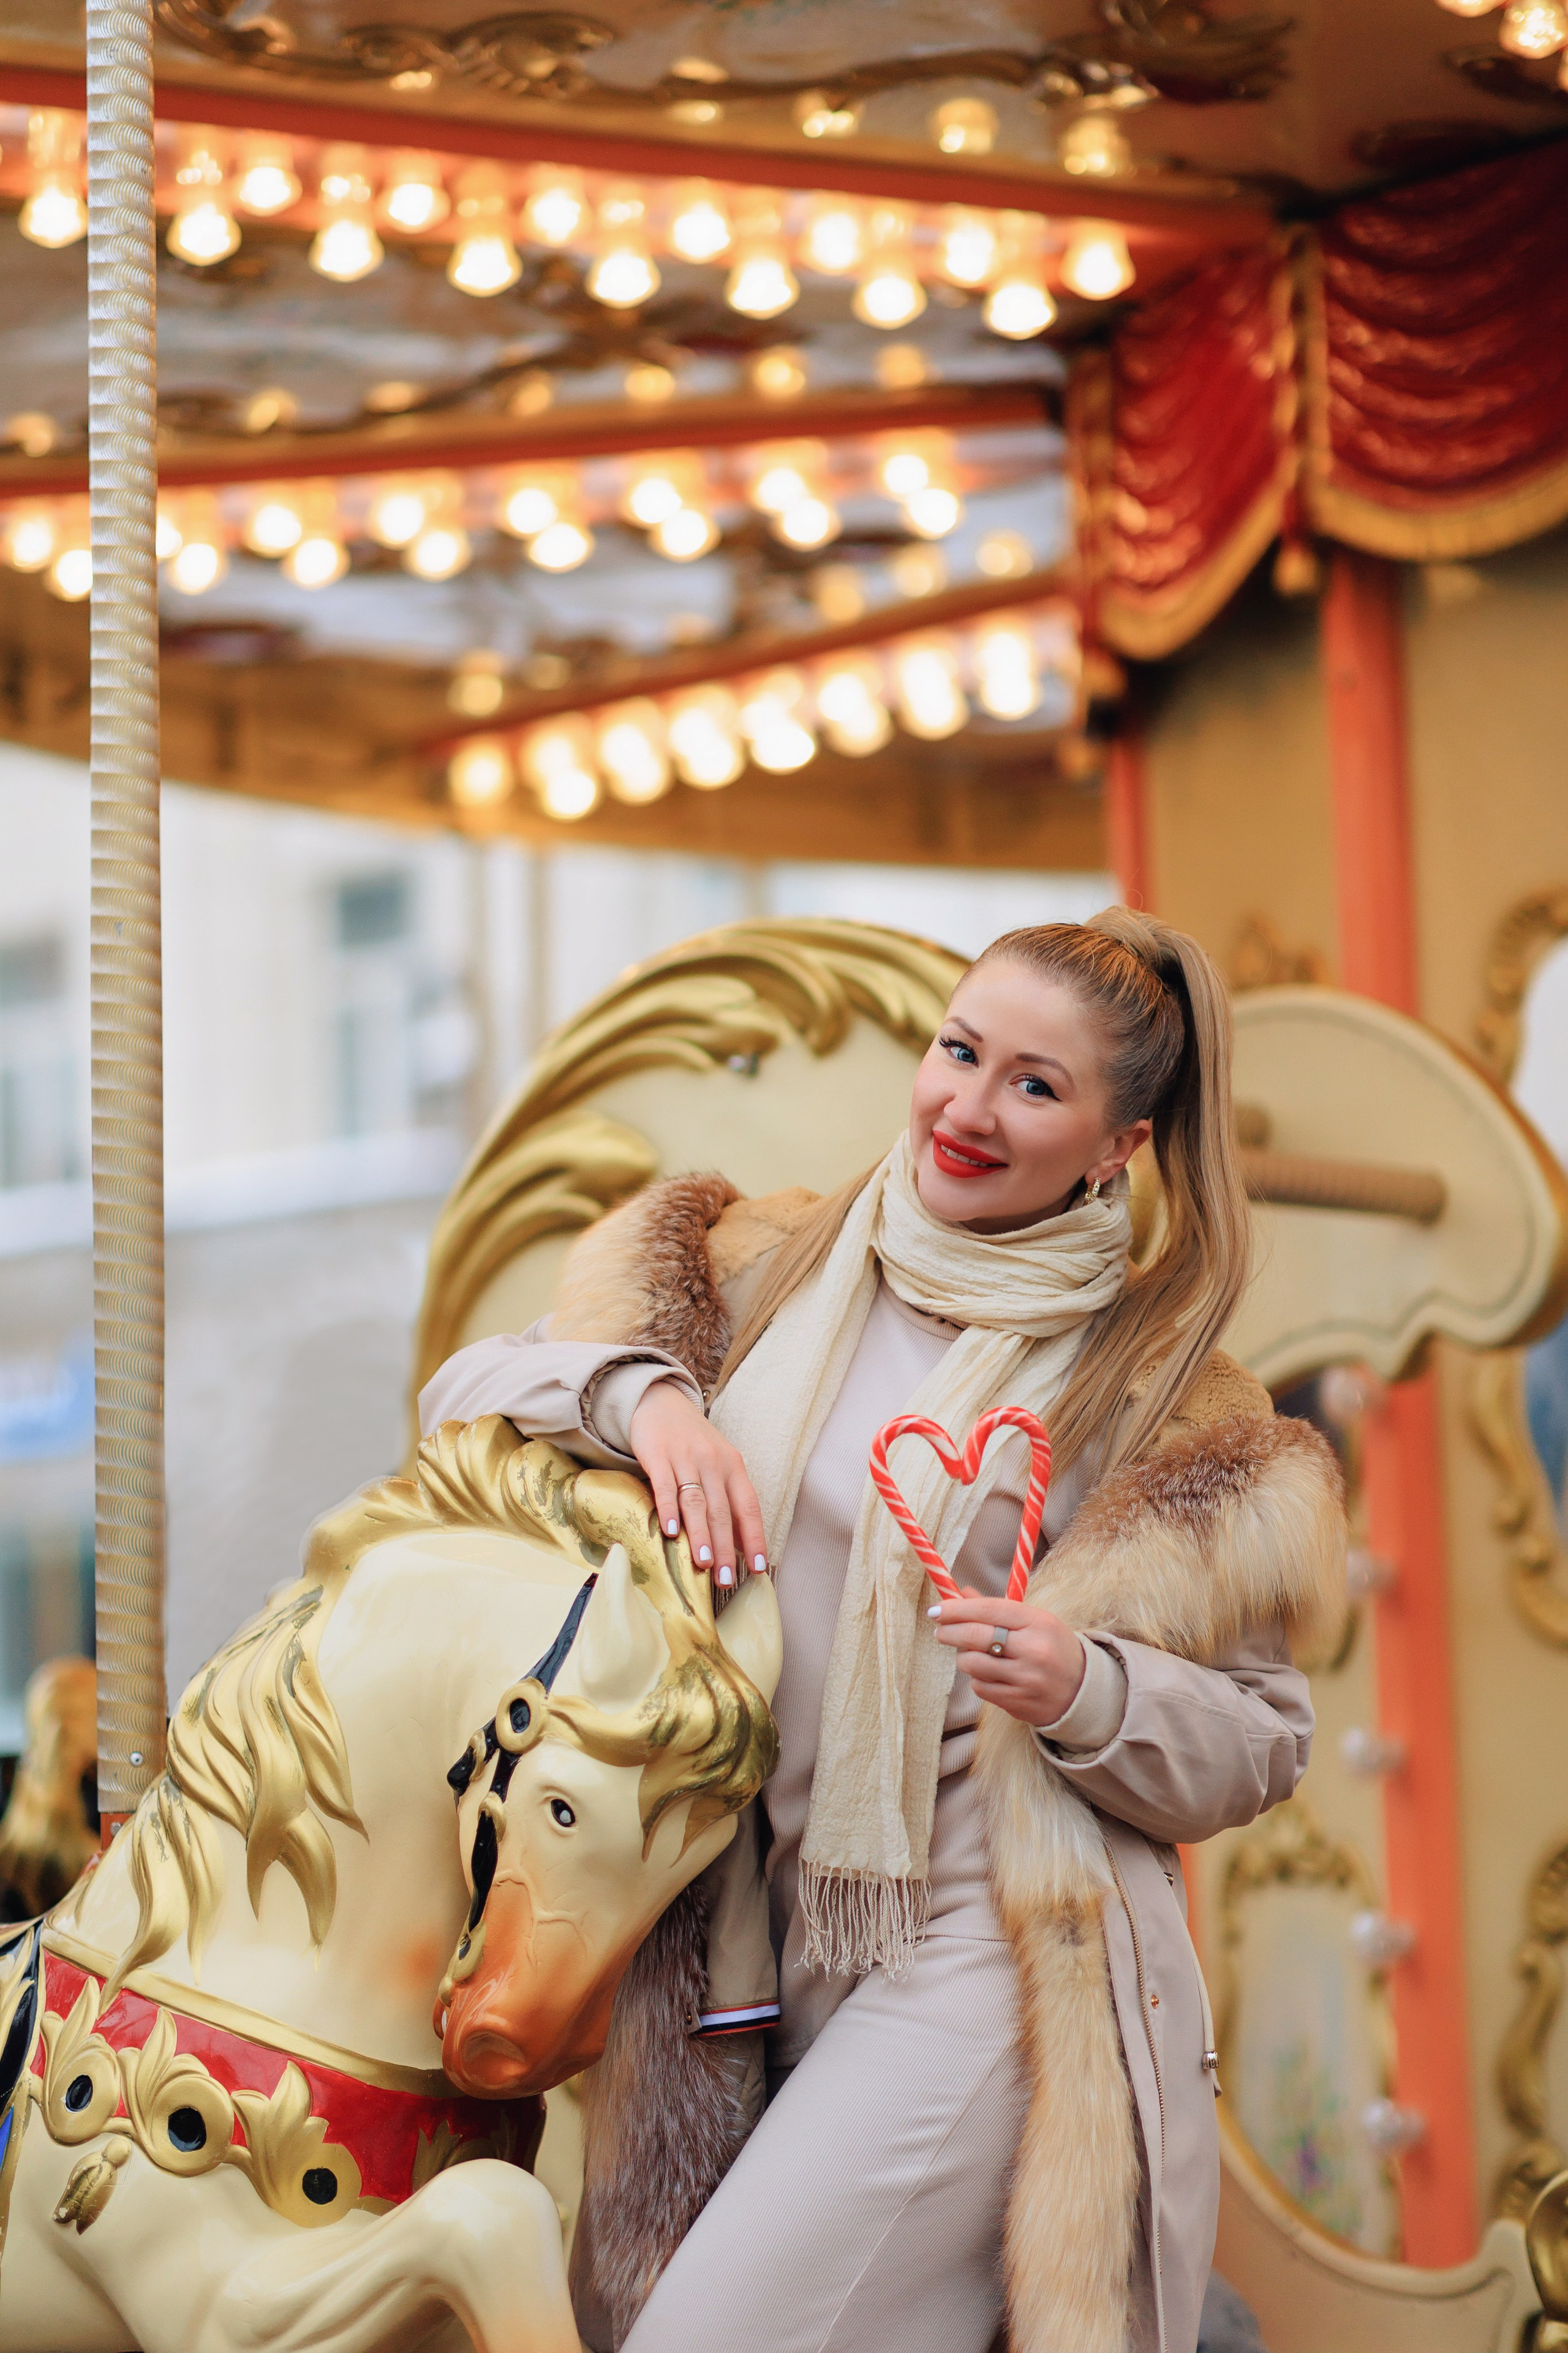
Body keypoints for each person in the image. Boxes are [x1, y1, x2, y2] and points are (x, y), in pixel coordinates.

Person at [419, 910, 1346, 2353]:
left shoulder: (1161, 1398)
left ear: (1117, 1142)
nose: (969, 1107)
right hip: (747, 1934)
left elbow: (1263, 1740)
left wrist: (1084, 1687)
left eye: (1033, 1085)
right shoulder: (756, 1268)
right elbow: (466, 1400)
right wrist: (647, 1400)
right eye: (958, 1051)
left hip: (986, 1956)